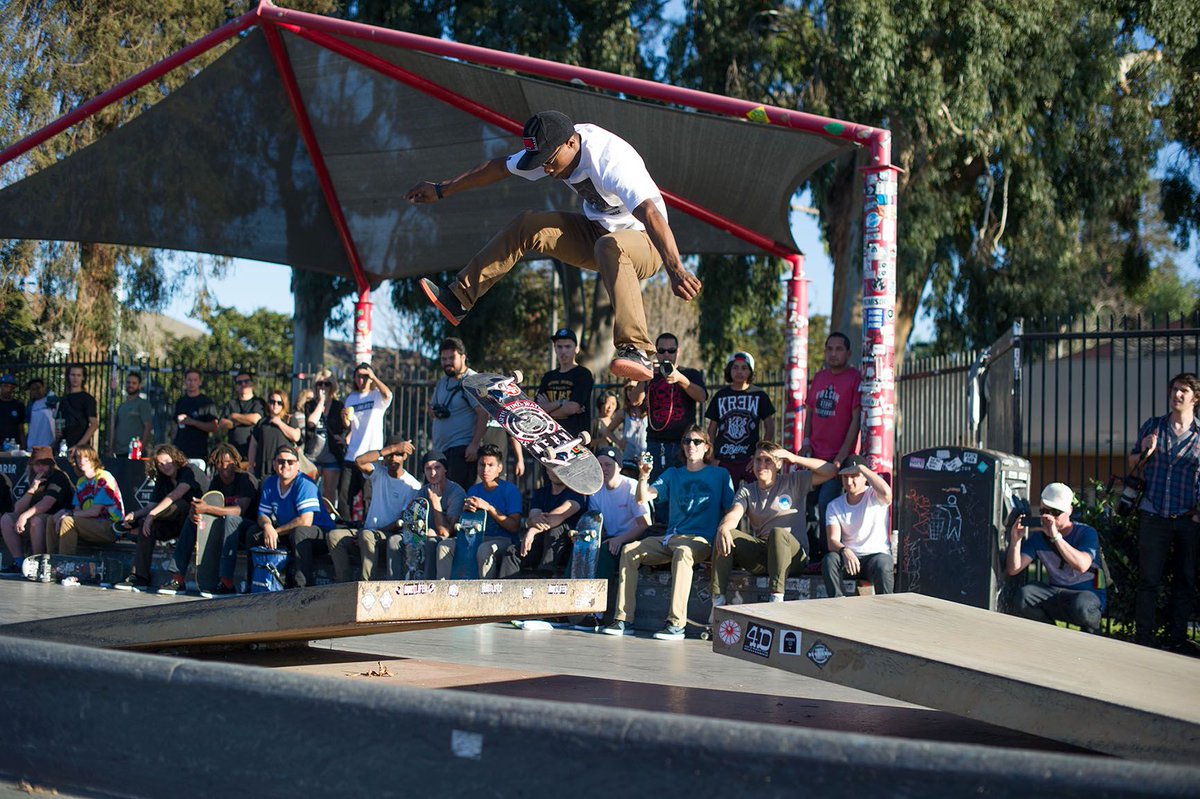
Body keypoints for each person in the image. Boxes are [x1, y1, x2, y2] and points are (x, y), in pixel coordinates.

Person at [408, 109, 702, 381]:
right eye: (542, 163)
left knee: (610, 246)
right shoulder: (552, 152)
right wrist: (441, 189)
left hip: (646, 241)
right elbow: (498, 168)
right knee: (527, 225)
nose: (547, 170)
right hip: (597, 232)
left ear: (571, 144)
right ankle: (459, 297)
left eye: (550, 162)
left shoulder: (610, 160)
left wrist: (675, 268)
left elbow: (650, 213)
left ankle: (636, 349)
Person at [604, 426, 734, 640]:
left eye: (697, 442)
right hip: (670, 537)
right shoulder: (673, 473)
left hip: (701, 540)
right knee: (629, 550)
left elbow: (733, 509)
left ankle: (676, 624)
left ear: (707, 448)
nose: (691, 445)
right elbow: (643, 498)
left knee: (683, 552)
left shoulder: (719, 475)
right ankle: (623, 620)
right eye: (687, 441)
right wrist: (643, 476)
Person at [712, 442, 836, 606]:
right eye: (758, 460)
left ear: (778, 464)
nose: (762, 465)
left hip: (793, 557)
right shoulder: (747, 490)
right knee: (726, 533)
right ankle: (717, 601)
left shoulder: (794, 481)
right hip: (764, 555)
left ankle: (776, 599)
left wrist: (794, 458)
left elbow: (831, 471)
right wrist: (724, 527)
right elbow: (735, 514)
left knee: (777, 533)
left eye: (767, 460)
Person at [1128, 372, 1200, 652]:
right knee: (1148, 580)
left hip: (1187, 518)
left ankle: (1177, 641)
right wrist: (1145, 450)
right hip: (1153, 513)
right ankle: (1143, 639)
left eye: (1183, 391)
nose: (1176, 395)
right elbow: (1132, 464)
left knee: (1185, 582)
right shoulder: (1154, 426)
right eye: (1174, 390)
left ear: (1195, 398)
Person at [1004, 483, 1105, 633]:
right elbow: (1013, 569)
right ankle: (1052, 634)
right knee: (1025, 596)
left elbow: (1082, 565)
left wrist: (1056, 537)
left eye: (1056, 512)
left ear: (1069, 511)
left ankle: (1092, 637)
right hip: (1056, 591)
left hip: (1086, 594)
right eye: (1045, 511)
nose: (1049, 517)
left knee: (1082, 605)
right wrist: (1016, 540)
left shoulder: (1086, 533)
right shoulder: (1039, 537)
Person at [159, 444, 259, 595]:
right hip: (222, 526)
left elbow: (239, 511)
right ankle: (177, 578)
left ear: (235, 462)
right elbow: (208, 503)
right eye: (219, 463)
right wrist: (197, 512)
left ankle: (227, 582)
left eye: (227, 462)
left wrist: (206, 509)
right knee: (192, 520)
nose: (224, 466)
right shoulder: (216, 481)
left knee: (231, 519)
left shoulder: (245, 479)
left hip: (244, 529)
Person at [327, 435, 421, 582]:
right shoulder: (379, 472)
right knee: (334, 536)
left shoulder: (413, 485)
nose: (393, 459)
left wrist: (371, 533)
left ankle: (366, 585)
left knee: (366, 536)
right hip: (367, 534)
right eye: (389, 455)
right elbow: (359, 461)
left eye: (398, 455)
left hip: (388, 537)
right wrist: (393, 448)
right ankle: (343, 584)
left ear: (405, 457)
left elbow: (402, 522)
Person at [577, 445, 651, 628]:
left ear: (618, 467)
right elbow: (597, 523)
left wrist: (620, 539)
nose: (604, 469)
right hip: (609, 539)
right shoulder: (594, 490)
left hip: (632, 539)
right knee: (580, 550)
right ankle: (565, 611)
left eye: (608, 465)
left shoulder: (631, 486)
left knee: (603, 556)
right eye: (600, 465)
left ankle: (597, 614)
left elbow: (644, 524)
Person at [802, 332, 862, 558]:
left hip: (837, 460)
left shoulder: (855, 378)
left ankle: (829, 556)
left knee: (827, 505)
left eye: (838, 349)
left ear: (848, 353)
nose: (833, 353)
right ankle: (810, 556)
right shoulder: (819, 377)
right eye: (829, 349)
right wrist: (806, 442)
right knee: (807, 508)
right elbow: (810, 412)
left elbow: (855, 420)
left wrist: (842, 457)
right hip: (814, 457)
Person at [114, 444, 202, 591]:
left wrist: (152, 515)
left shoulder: (189, 470)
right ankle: (140, 577)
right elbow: (151, 506)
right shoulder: (163, 479)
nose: (164, 466)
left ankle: (177, 578)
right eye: (160, 464)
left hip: (193, 522)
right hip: (173, 524)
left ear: (175, 458)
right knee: (145, 525)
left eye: (167, 461)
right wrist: (136, 514)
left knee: (179, 504)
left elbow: (175, 495)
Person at [253, 444, 336, 589]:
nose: (285, 465)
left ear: (297, 465)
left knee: (299, 532)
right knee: (253, 533)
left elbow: (305, 520)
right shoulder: (270, 483)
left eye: (290, 462)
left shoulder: (305, 483)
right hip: (289, 531)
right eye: (281, 461)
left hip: (321, 534)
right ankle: (254, 583)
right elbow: (262, 515)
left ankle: (303, 588)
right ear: (274, 464)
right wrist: (267, 526)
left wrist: (275, 532)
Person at [435, 443, 522, 579]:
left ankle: (485, 595)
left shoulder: (510, 491)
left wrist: (489, 507)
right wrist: (466, 513)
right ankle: (444, 594)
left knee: (484, 550)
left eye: (490, 465)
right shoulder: (473, 490)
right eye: (482, 465)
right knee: (444, 546)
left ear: (500, 468)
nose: (485, 469)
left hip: (502, 539)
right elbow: (464, 524)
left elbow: (514, 527)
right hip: (474, 538)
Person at [822, 455, 894, 598]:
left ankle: (887, 608)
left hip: (875, 557)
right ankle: (838, 603)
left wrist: (862, 468)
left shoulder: (875, 496)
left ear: (865, 477)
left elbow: (887, 493)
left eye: (854, 476)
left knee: (884, 564)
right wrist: (845, 550)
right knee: (829, 560)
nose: (849, 481)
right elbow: (832, 541)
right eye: (845, 477)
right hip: (850, 558)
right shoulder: (834, 505)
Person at [497, 467, 585, 579]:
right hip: (540, 544)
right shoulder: (541, 493)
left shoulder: (576, 494)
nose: (556, 471)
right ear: (547, 470)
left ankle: (544, 576)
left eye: (560, 468)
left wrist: (532, 531)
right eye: (553, 467)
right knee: (512, 553)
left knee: (556, 528)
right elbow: (532, 519)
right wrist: (532, 524)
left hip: (564, 548)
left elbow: (557, 516)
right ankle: (505, 591)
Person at [392, 449, 466, 580]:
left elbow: (446, 533)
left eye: (437, 468)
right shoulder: (422, 492)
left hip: (447, 540)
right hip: (421, 536)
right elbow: (412, 524)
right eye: (428, 469)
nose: (433, 473)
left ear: (445, 470)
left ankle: (428, 585)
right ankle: (394, 584)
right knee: (394, 541)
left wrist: (435, 502)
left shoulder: (456, 492)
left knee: (432, 542)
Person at [706, 351, 776, 487]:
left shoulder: (759, 395)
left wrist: (760, 454)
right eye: (735, 367)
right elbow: (711, 429)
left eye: (744, 368)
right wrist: (712, 457)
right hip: (724, 459)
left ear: (750, 371)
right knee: (726, 501)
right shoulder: (720, 396)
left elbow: (770, 426)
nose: (739, 371)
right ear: (729, 370)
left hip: (749, 459)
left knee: (754, 499)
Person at [0, 446, 73, 571]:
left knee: (36, 521)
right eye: (37, 464)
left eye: (44, 464)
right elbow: (17, 509)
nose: (40, 468)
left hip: (55, 518)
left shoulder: (58, 477)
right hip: (35, 517)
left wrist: (24, 516)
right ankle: (19, 562)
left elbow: (47, 503)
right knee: (7, 519)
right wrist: (32, 489)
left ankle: (37, 563)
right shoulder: (34, 478)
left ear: (51, 465)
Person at [339, 362, 393, 520]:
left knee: (369, 498)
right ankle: (346, 527)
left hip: (371, 456)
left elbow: (388, 395)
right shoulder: (351, 398)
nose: (361, 380)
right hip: (352, 454)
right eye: (358, 376)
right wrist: (344, 419)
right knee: (344, 497)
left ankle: (368, 529)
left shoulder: (376, 395)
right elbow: (349, 426)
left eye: (365, 376)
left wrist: (374, 377)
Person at [49, 446, 124, 555]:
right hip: (90, 523)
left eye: (86, 457)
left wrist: (68, 514)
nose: (81, 461)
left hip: (110, 526)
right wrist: (64, 513)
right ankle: (50, 560)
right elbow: (77, 509)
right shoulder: (81, 482)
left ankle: (64, 564)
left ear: (93, 459)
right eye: (78, 457)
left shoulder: (104, 478)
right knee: (53, 519)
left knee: (67, 521)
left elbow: (94, 512)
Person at [301, 370, 349, 510]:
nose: (323, 387)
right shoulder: (310, 405)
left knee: (329, 493)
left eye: (327, 384)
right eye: (320, 383)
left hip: (331, 455)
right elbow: (311, 422)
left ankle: (328, 519)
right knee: (309, 490)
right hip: (312, 456)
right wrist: (321, 402)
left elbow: (346, 426)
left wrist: (343, 438)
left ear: (332, 386)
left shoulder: (338, 405)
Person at [536, 328, 594, 440]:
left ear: (576, 349)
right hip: (549, 438)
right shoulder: (548, 377)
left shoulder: (583, 374)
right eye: (559, 347)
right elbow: (538, 410)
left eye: (568, 347)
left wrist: (548, 412)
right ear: (555, 348)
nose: (563, 351)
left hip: (575, 439)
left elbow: (572, 407)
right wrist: (561, 402)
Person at [246, 389, 302, 481]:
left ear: (284, 404)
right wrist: (251, 466)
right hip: (263, 468)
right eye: (272, 401)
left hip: (283, 468)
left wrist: (279, 423)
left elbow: (296, 436)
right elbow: (253, 445)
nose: (275, 405)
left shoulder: (289, 420)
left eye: (279, 402)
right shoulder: (262, 422)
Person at [173, 369, 219, 471]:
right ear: (185, 381)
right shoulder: (181, 401)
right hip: (179, 450)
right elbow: (175, 426)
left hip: (198, 451)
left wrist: (193, 422)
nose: (192, 383)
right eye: (189, 380)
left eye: (195, 380)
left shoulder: (206, 402)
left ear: (200, 382)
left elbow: (214, 427)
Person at [217, 371, 265, 460]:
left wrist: (234, 416)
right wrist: (242, 421)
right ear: (236, 386)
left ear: (252, 384)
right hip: (234, 453)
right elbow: (222, 423)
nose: (243, 384)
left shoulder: (258, 402)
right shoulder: (231, 403)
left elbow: (255, 419)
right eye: (239, 382)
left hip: (254, 451)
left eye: (246, 381)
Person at [57, 363, 98, 455]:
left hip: (81, 447)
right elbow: (59, 421)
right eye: (73, 375)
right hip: (63, 445)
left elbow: (94, 424)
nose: (75, 378)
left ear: (83, 377)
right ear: (68, 376)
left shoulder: (88, 399)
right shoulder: (63, 400)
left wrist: (79, 445)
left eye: (78, 375)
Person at [606, 380, 647, 473]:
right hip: (628, 455)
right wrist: (619, 442)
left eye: (633, 389)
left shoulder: (649, 411)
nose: (630, 392)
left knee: (646, 477)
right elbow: (608, 431)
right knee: (628, 478)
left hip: (646, 454)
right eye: (628, 390)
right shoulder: (623, 412)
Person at [110, 372, 153, 458]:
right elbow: (115, 428)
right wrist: (111, 448)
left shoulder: (143, 404)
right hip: (119, 452)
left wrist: (141, 448)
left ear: (139, 385)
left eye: (134, 383)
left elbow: (148, 427)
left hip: (134, 452)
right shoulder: (121, 406)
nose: (130, 385)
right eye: (128, 382)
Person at [24, 378, 56, 450]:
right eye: (33, 389)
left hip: (49, 446)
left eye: (38, 387)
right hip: (33, 447)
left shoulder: (51, 400)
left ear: (43, 388)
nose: (36, 391)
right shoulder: (30, 405)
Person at [0, 374, 24, 449]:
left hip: (14, 446)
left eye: (11, 387)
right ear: (1, 386)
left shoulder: (18, 405)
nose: (8, 389)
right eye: (6, 386)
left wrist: (23, 445)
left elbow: (21, 428)